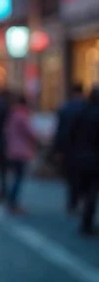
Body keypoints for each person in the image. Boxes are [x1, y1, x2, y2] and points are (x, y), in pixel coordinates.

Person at [68, 87, 99, 235]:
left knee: (85, 188)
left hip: (80, 156)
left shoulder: (81, 112)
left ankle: (81, 213)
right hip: (93, 157)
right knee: (92, 191)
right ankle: (87, 222)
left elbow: (71, 134)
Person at [54, 84, 86, 214]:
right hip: (83, 147)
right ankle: (79, 201)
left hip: (69, 147)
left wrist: (58, 149)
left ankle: (72, 203)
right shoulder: (85, 108)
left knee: (71, 176)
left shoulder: (65, 108)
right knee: (83, 177)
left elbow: (60, 130)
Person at [5, 95, 38, 215]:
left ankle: (11, 201)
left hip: (12, 150)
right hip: (21, 151)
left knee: (15, 177)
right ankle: (13, 203)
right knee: (18, 178)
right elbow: (30, 133)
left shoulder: (13, 114)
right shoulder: (22, 116)